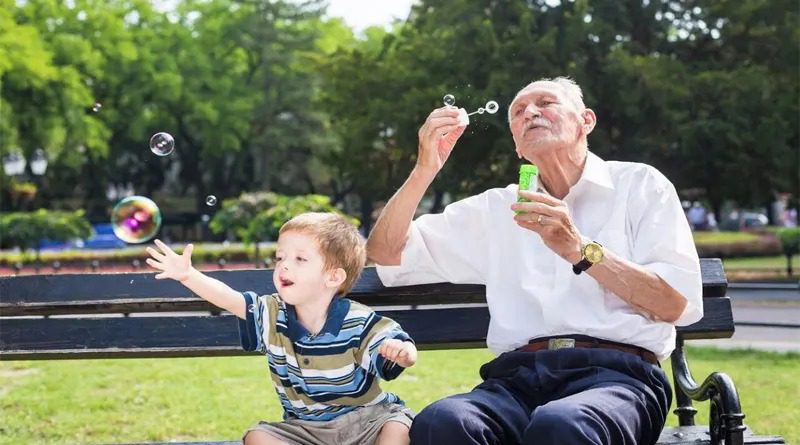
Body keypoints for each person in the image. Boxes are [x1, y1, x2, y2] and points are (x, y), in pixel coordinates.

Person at [367, 77, 703, 445]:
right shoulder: (495, 209)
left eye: (546, 102)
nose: (530, 112)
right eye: (518, 111)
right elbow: (385, 252)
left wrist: (579, 249)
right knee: (442, 422)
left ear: (586, 121)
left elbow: (674, 304)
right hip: (516, 379)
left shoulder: (640, 185)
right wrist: (425, 168)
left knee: (562, 425)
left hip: (619, 377)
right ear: (517, 146)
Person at [146, 212, 418, 445]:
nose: (284, 265)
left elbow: (389, 341)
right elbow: (230, 299)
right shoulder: (271, 314)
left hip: (366, 421)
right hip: (305, 429)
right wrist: (188, 275)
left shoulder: (357, 320)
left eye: (300, 259)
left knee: (396, 428)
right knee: (257, 437)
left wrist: (403, 352)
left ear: (333, 276)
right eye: (280, 258)